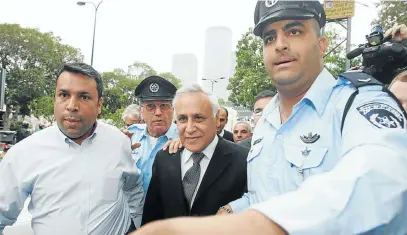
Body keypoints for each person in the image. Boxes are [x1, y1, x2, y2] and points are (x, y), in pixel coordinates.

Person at [133, 1, 407, 234]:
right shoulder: (267, 124)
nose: (280, 45)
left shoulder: (361, 103)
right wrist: (232, 210)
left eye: (295, 31)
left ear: (322, 44)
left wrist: (257, 224)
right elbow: (263, 195)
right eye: (269, 37)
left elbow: (383, 180)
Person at [0, 63, 144, 235]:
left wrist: (137, 226)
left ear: (99, 105)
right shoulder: (23, 154)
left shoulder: (118, 142)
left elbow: (133, 188)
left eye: (84, 97)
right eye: (64, 94)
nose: (72, 106)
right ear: (55, 98)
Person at [141, 84, 248, 225]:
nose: (190, 129)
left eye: (198, 118)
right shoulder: (164, 159)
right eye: (183, 119)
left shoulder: (244, 160)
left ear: (217, 119)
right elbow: (152, 217)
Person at [128, 75, 178, 194]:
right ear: (141, 112)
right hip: (133, 210)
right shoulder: (131, 135)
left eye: (164, 106)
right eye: (150, 106)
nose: (158, 113)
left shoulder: (185, 138)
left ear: (173, 110)